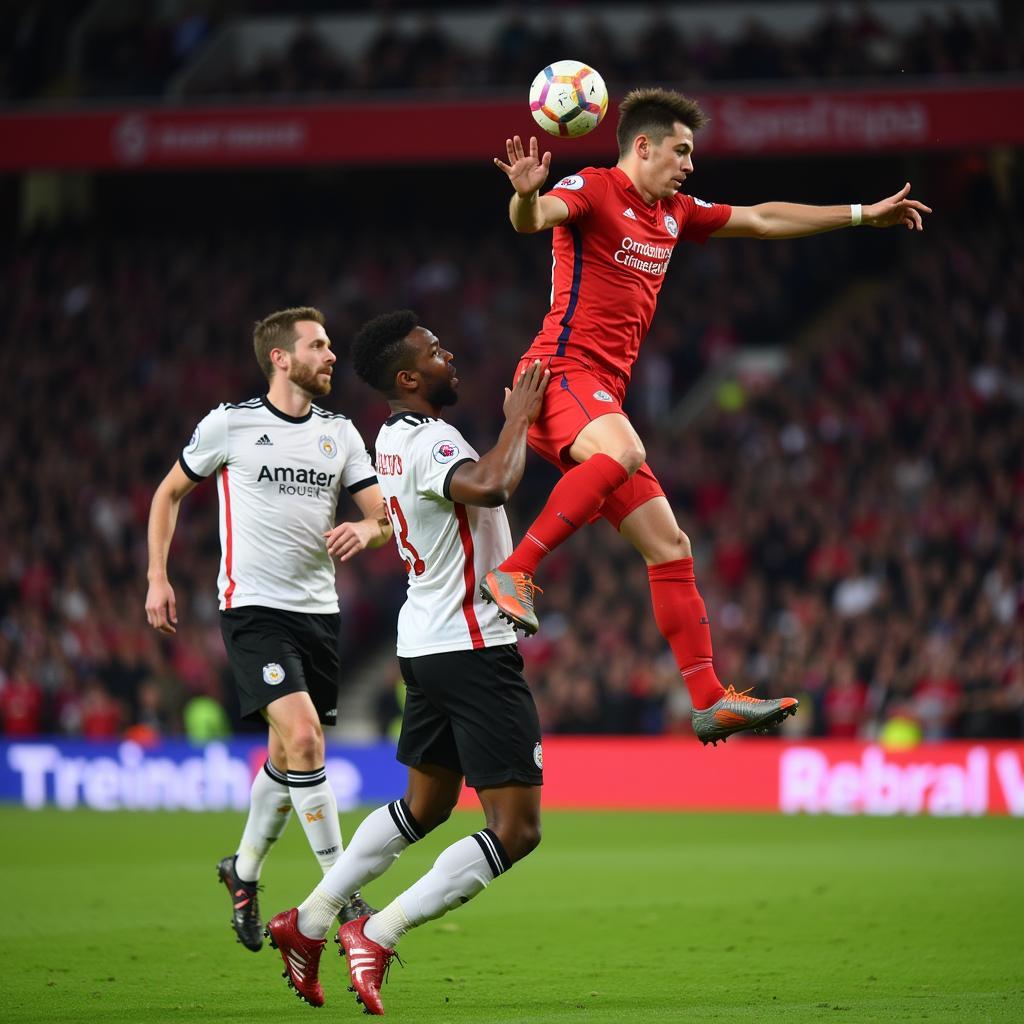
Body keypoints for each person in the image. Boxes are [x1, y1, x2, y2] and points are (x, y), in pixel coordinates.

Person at [483, 87, 932, 746]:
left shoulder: (674, 213)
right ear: (644, 146)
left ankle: (707, 700)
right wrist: (525, 194)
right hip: (559, 376)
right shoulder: (596, 187)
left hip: (599, 394)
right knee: (627, 452)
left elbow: (762, 220)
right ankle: (515, 568)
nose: (690, 165)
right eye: (681, 151)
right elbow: (535, 217)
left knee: (671, 547)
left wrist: (863, 214)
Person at [263, 310, 549, 1015]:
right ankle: (379, 932)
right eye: (436, 350)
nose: (451, 355)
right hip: (472, 646)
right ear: (409, 377)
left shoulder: (390, 439)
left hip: (425, 643)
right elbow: (489, 487)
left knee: (426, 805)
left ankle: (308, 920)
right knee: (516, 829)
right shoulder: (433, 440)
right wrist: (518, 419)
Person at [144, 306, 392, 951]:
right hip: (253, 610)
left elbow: (383, 516)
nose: (331, 354)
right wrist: (157, 577)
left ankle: (243, 872)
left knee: (288, 758)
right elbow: (167, 493)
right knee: (306, 740)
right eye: (318, 345)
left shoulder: (340, 433)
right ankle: (340, 888)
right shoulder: (232, 424)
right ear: (281, 358)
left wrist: (368, 528)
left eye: (330, 344)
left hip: (320, 614)